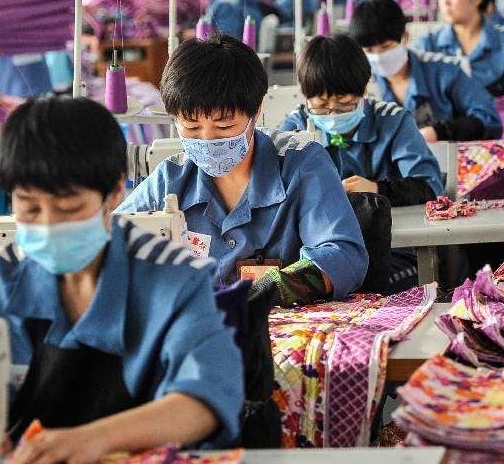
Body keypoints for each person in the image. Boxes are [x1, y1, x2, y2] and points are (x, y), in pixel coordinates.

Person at [0, 97, 244, 464]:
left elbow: (206, 399)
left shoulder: (175, 279)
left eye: (69, 209)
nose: (47, 225)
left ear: (115, 193)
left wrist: (97, 438)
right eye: (29, 208)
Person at [117, 33, 367, 306]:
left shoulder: (302, 166)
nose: (207, 139)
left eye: (224, 126)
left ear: (255, 112)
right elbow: (109, 244)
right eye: (191, 127)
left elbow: (343, 255)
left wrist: (271, 289)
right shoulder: (169, 180)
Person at [281, 34, 443, 290]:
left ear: (364, 91)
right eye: (321, 107)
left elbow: (430, 187)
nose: (332, 114)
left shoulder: (394, 121)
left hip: (394, 251)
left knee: (364, 288)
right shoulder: (296, 126)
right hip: (320, 253)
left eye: (344, 104)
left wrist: (378, 189)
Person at [349, 0, 502, 142]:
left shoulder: (445, 71)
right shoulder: (358, 84)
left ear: (405, 37)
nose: (378, 56)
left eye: (385, 47)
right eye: (369, 50)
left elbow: (489, 120)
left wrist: (441, 132)